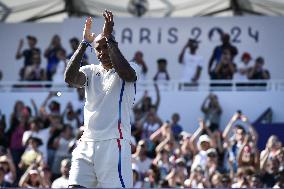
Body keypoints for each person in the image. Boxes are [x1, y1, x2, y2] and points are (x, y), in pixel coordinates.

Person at [64, 10, 140, 188]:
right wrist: (84, 43)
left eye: (106, 46)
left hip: (114, 143)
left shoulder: (131, 67)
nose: (102, 52)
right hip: (86, 143)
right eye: (98, 48)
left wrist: (108, 37)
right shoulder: (90, 71)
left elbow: (127, 75)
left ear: (114, 45)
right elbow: (70, 78)